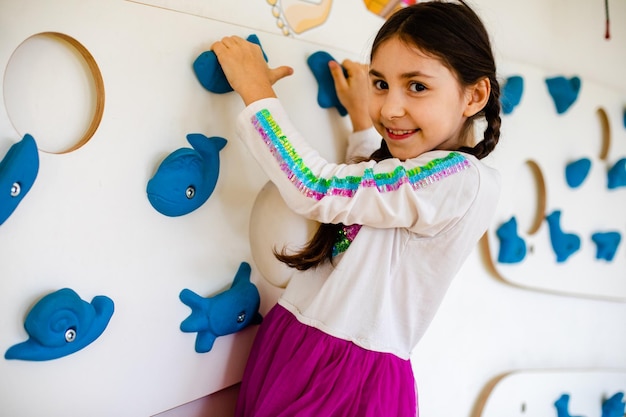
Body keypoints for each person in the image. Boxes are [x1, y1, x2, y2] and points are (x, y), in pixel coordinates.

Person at [212, 1, 501, 416]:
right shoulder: (420, 176)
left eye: (416, 86)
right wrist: (362, 125)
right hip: (297, 343)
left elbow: (317, 186)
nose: (389, 107)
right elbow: (378, 193)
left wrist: (256, 92)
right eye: (381, 84)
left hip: (346, 378)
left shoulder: (460, 180)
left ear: (474, 95)